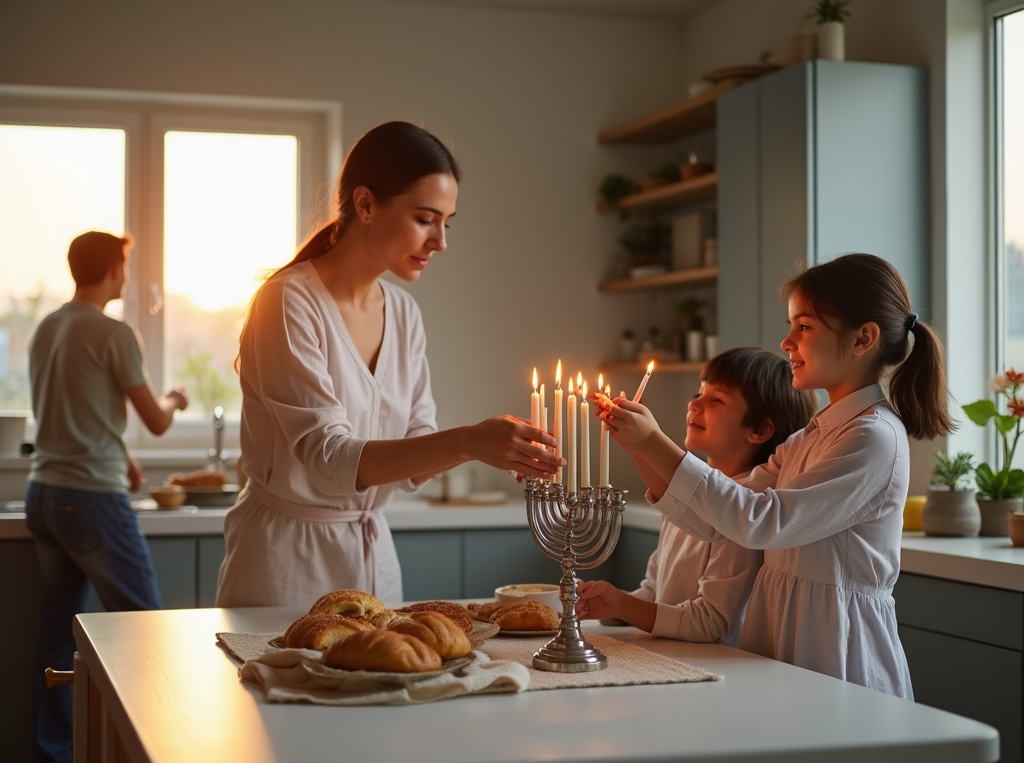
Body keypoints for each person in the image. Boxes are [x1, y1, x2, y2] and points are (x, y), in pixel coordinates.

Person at [215, 121, 563, 609]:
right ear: (365, 205)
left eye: (447, 222)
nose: (440, 241)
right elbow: (330, 461)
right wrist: (468, 441)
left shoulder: (403, 313)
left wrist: (496, 449)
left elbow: (415, 450)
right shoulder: (286, 302)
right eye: (425, 218)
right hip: (285, 567)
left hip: (375, 563)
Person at [590, 253, 954, 699]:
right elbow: (715, 523)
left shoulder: (873, 439)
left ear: (863, 338)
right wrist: (640, 445)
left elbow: (763, 522)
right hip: (782, 637)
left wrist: (654, 442)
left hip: (836, 650)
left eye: (804, 327)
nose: (786, 342)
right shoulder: (809, 437)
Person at [26, 230, 190, 763]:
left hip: (44, 493)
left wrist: (118, 453)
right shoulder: (114, 333)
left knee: (58, 636)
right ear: (113, 271)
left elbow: (74, 410)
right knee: (144, 631)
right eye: (124, 263)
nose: (126, 272)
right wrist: (175, 397)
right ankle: (152, 754)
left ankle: (56, 758)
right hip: (91, 500)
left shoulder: (47, 327)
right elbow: (158, 422)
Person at [576, 347, 815, 644]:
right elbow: (654, 590)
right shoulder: (683, 492)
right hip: (670, 658)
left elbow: (710, 623)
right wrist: (608, 604)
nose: (695, 404)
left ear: (759, 429)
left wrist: (624, 606)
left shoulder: (740, 508)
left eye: (716, 399)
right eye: (698, 393)